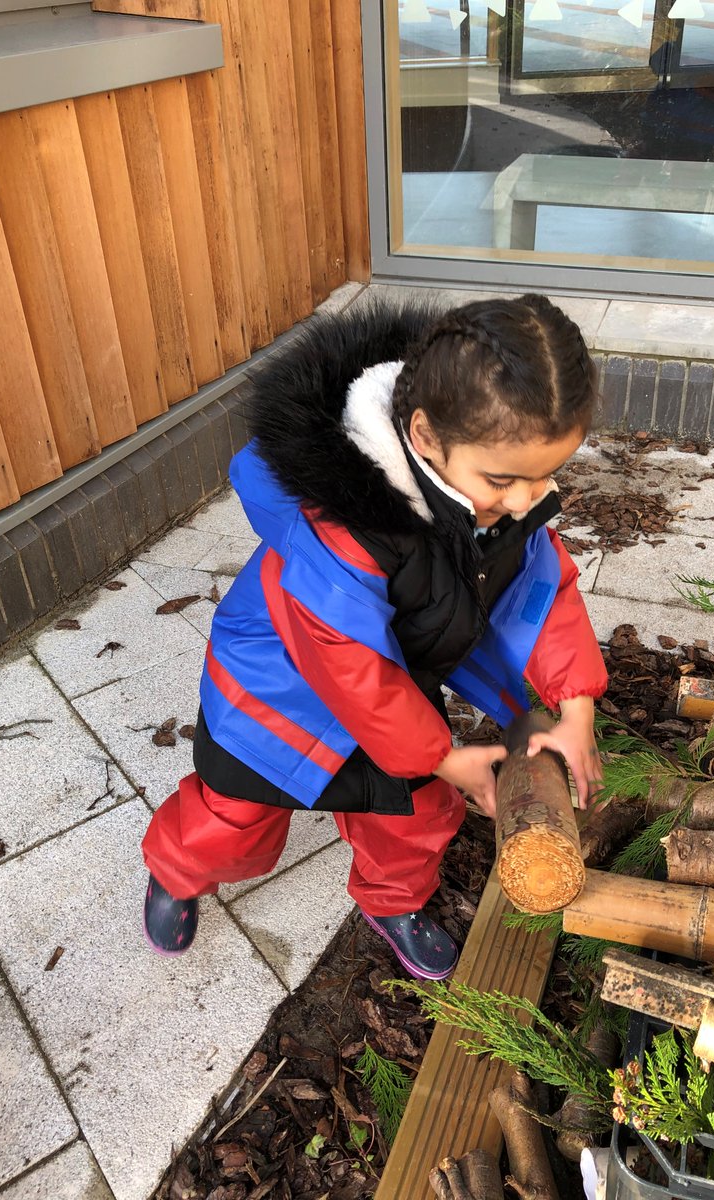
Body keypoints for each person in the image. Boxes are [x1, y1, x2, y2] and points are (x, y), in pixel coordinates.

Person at [141, 293, 608, 979]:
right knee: (233, 819)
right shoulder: (347, 529)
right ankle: (179, 871)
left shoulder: (492, 493)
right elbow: (351, 671)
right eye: (505, 479)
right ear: (422, 436)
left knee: (414, 822)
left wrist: (577, 708)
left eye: (545, 474)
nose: (524, 499)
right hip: (278, 697)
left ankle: (393, 902)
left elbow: (543, 590)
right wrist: (444, 757)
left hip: (395, 695)